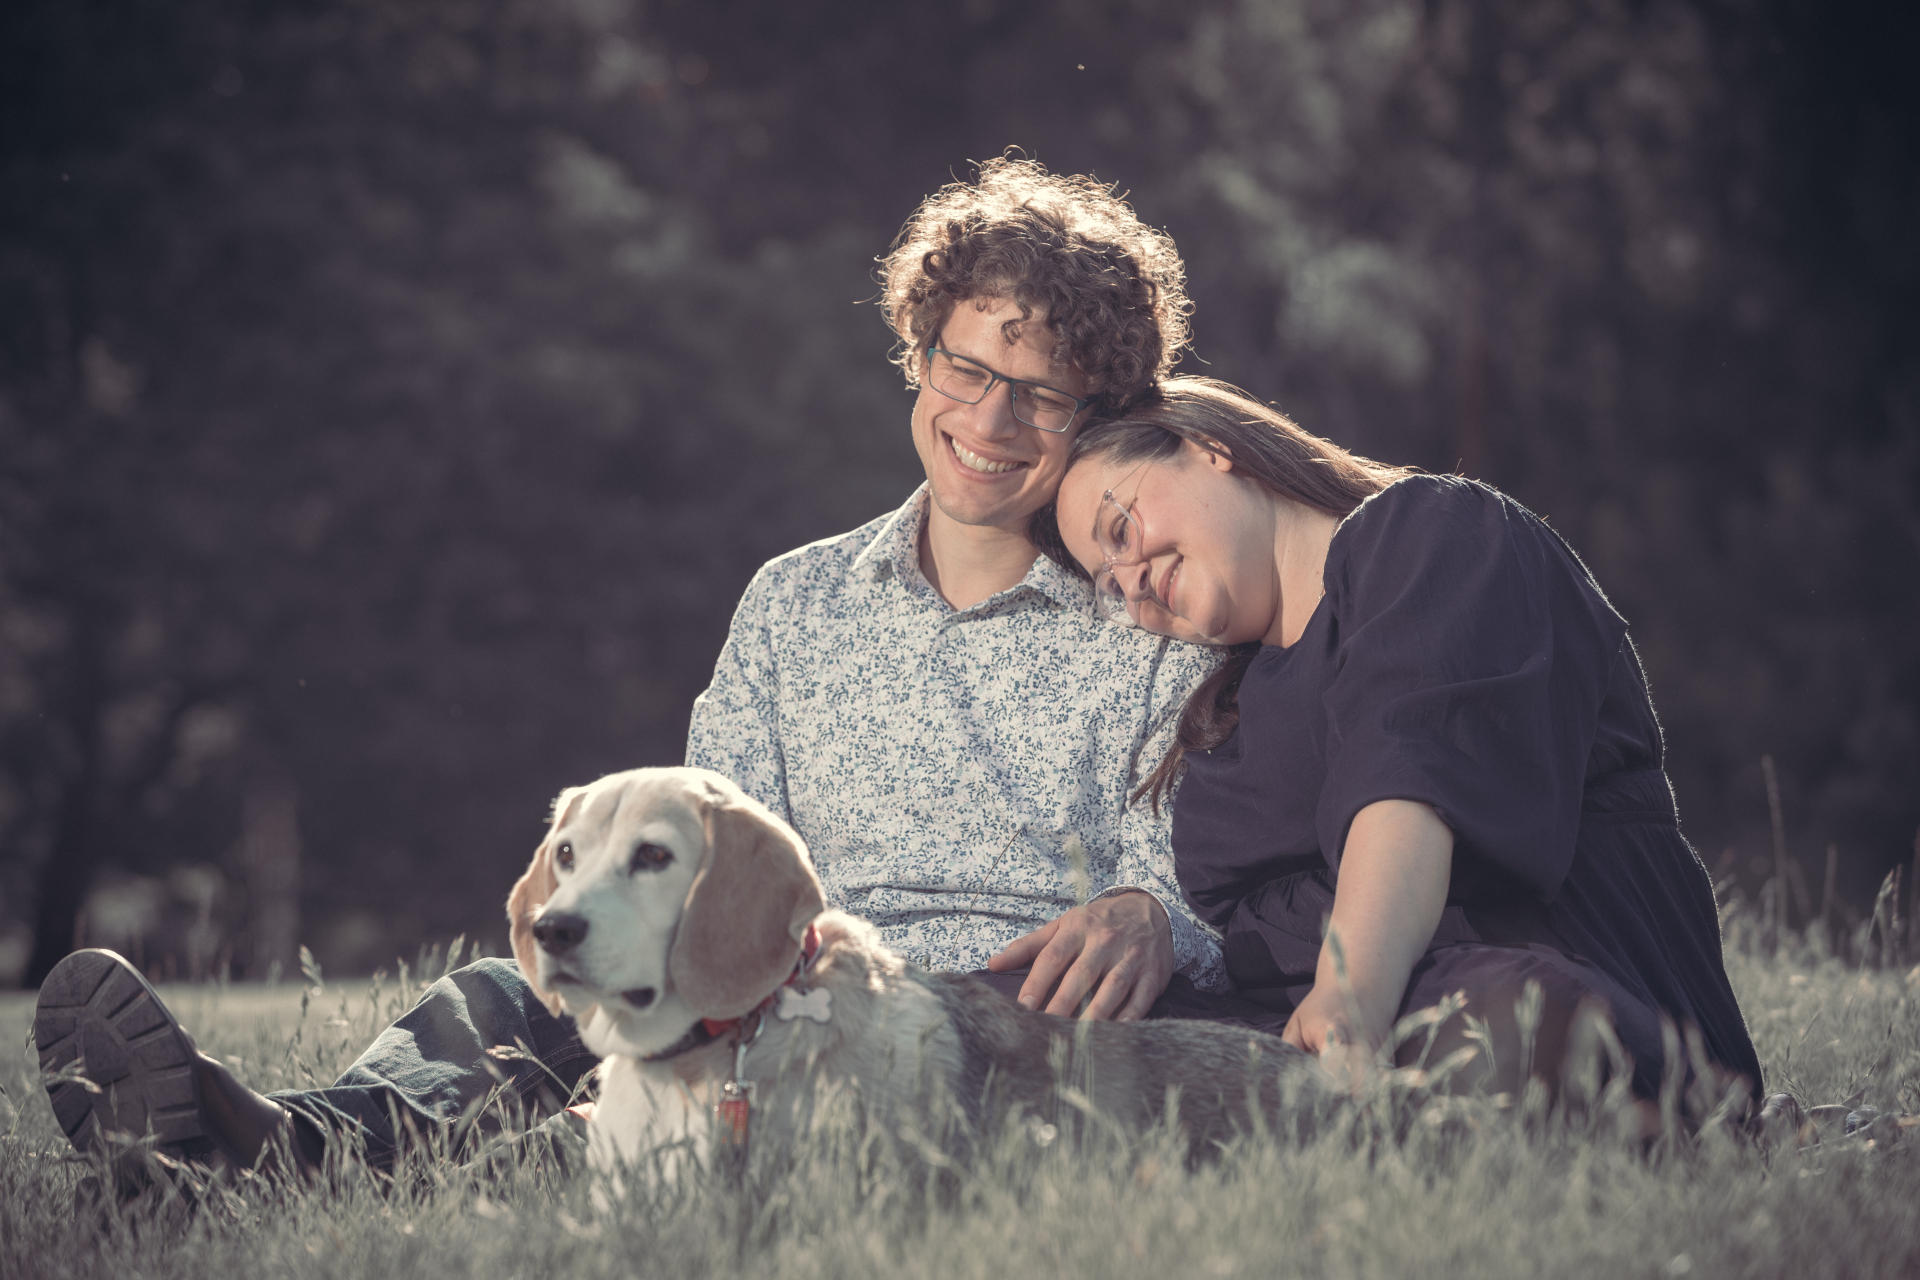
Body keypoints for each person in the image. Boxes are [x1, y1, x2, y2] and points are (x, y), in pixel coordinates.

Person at [36, 157, 1249, 1186]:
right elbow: (687, 836)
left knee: (639, 1133)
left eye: (1041, 394)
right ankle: (269, 1142)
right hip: (758, 985)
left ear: (1099, 415)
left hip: (980, 1035)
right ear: (917, 352)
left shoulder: (1145, 613)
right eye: (967, 368)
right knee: (496, 1003)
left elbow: (1211, 877)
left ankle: (439, 1166)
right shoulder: (796, 600)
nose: (989, 420)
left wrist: (1152, 913)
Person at [1047, 376, 1764, 1116]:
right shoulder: (1225, 719)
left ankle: (1679, 1115)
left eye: (1120, 530)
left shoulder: (1433, 533)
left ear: (1211, 448)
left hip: (1546, 971)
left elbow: (1409, 779)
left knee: (1506, 1031)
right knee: (1076, 1043)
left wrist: (1349, 1000)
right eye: (1107, 586)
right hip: (1328, 1017)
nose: (1130, 584)